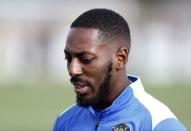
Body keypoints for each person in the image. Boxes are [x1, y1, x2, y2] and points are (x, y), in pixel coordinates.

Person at [53, 8, 186, 131]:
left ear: (120, 58)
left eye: (86, 59)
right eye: (68, 58)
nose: (72, 70)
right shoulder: (65, 121)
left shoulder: (157, 123)